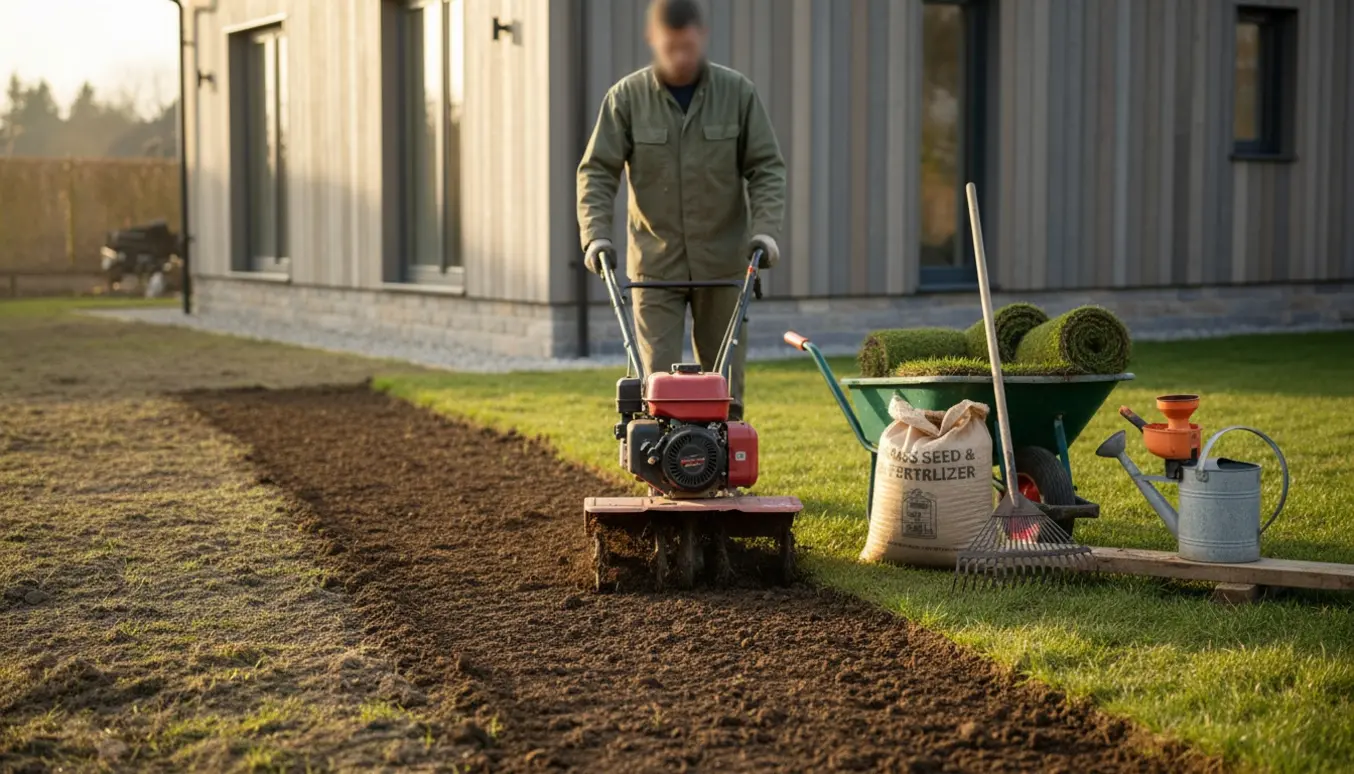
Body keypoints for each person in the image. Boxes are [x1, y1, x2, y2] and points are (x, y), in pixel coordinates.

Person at [576, 0, 786, 421]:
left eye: (688, 47)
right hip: (655, 267)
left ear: (701, 37)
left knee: (723, 383)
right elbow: (597, 171)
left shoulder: (737, 94)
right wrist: (595, 235)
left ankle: (722, 471)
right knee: (656, 383)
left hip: (725, 264)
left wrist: (764, 232)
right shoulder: (627, 98)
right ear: (652, 39)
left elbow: (766, 168)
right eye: (671, 47)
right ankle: (663, 469)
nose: (681, 57)